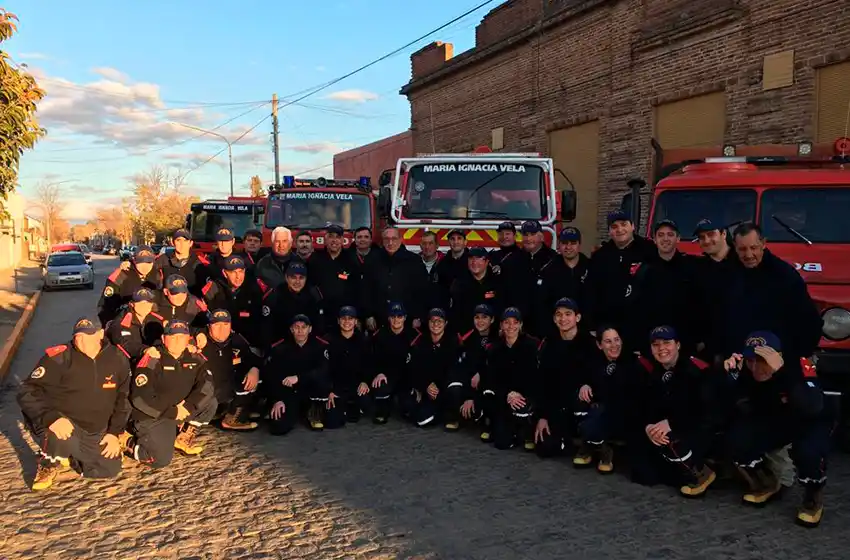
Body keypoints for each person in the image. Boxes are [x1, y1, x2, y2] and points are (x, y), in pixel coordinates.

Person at [722, 332, 831, 527]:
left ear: (777, 357)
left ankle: (813, 495)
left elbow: (812, 406)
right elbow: (741, 408)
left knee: (808, 452)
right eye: (750, 361)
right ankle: (767, 483)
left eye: (762, 361)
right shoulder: (746, 371)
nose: (755, 367)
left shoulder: (799, 366)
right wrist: (731, 379)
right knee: (736, 439)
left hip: (808, 421)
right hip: (776, 421)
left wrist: (781, 373)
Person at [17, 318, 131, 490]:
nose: (83, 342)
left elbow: (123, 397)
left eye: (88, 336)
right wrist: (50, 418)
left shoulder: (116, 357)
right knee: (59, 434)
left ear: (100, 334)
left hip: (95, 427)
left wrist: (114, 433)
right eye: (78, 337)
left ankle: (73, 456)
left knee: (109, 469)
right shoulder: (59, 357)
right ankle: (47, 462)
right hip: (63, 421)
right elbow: (27, 390)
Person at [635, 326, 720, 496]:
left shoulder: (698, 370)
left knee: (672, 444)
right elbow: (645, 406)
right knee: (642, 473)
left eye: (667, 343)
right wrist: (650, 427)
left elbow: (707, 412)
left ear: (678, 345)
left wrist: (671, 424)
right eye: (656, 345)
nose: (661, 349)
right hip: (668, 426)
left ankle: (700, 472)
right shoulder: (653, 372)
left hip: (699, 428)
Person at [123, 320, 217, 468]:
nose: (178, 341)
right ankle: (127, 441)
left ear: (188, 339)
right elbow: (140, 398)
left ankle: (182, 436)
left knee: (210, 403)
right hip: (154, 414)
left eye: (182, 336)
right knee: (160, 459)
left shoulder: (195, 357)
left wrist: (187, 407)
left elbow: (207, 386)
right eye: (173, 337)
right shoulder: (152, 358)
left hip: (181, 409)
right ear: (163, 338)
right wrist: (173, 412)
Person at [725, 222, 822, 362]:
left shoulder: (785, 276)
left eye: (753, 248)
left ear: (763, 244)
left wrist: (793, 356)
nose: (749, 254)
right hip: (738, 358)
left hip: (777, 360)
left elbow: (809, 320)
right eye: (742, 249)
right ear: (735, 247)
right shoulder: (729, 273)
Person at [571, 325, 641, 473]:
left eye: (617, 340)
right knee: (580, 404)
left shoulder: (633, 362)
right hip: (599, 411)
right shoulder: (592, 362)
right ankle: (597, 446)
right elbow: (581, 377)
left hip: (623, 414)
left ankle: (599, 447)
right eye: (608, 341)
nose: (614, 345)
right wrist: (584, 384)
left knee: (597, 416)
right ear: (599, 344)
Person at [534, 298, 598, 458]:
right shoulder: (549, 344)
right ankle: (565, 438)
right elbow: (543, 382)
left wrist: (588, 384)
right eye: (559, 315)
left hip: (580, 402)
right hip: (557, 405)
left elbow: (599, 374)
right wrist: (543, 416)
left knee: (582, 400)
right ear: (554, 319)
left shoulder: (590, 343)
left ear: (577, 317)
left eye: (568, 314)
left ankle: (588, 444)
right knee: (545, 449)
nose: (563, 319)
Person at [587, 210, 656, 345]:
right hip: (609, 327)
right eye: (614, 227)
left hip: (641, 327)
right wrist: (591, 325)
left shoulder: (650, 251)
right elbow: (591, 291)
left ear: (633, 226)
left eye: (624, 224)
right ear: (609, 232)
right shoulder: (600, 256)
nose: (620, 230)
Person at [479, 307, 540, 451]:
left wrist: (519, 393)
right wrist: (508, 394)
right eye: (507, 322)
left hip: (526, 394)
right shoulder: (495, 348)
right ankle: (504, 428)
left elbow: (535, 376)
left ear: (520, 325)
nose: (511, 326)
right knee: (501, 443)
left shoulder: (532, 345)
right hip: (505, 396)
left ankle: (527, 431)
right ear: (501, 325)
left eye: (515, 322)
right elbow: (493, 378)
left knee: (524, 408)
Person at [633, 220, 698, 355]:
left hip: (685, 343)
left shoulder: (692, 268)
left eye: (670, 234)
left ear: (678, 238)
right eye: (661, 235)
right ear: (655, 239)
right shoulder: (645, 271)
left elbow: (700, 305)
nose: (665, 239)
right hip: (656, 345)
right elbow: (638, 310)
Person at [265, 314, 331, 433]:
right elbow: (272, 376)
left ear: (310, 329)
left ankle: (314, 411)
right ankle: (295, 412)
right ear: (291, 329)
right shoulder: (280, 348)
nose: (300, 331)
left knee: (332, 420)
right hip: (289, 393)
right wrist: (277, 399)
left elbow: (323, 370)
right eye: (296, 327)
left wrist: (299, 378)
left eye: (304, 327)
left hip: (311, 391)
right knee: (278, 428)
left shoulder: (320, 346)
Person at [200, 309, 260, 431]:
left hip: (226, 391)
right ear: (209, 326)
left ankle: (233, 417)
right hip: (204, 393)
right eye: (217, 325)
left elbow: (252, 357)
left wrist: (255, 369)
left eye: (225, 325)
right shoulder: (200, 341)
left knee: (256, 378)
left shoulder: (236, 340)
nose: (221, 329)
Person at [406, 307, 465, 430]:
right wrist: (426, 385)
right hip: (429, 389)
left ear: (445, 323)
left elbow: (455, 370)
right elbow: (413, 369)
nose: (435, 324)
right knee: (421, 420)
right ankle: (441, 413)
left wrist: (437, 385)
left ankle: (452, 417)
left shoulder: (453, 342)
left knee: (455, 386)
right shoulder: (420, 343)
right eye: (432, 321)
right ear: (428, 323)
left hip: (446, 387)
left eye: (439, 321)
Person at [361, 227, 429, 332]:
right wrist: (368, 315)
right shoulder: (372, 259)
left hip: (407, 321)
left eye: (394, 238)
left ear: (401, 239)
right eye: (386, 239)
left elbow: (422, 291)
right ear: (382, 241)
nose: (390, 242)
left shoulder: (414, 261)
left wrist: (418, 316)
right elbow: (365, 289)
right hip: (379, 320)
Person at [201, 255, 272, 351]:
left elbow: (265, 321)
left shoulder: (255, 289)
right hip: (220, 345)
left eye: (241, 272)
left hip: (250, 345)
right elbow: (203, 319)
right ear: (225, 273)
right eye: (233, 272)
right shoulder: (213, 290)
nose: (238, 277)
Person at [370, 302, 419, 424]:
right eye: (393, 316)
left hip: (407, 378)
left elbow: (420, 363)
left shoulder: (414, 336)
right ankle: (383, 409)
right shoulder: (379, 336)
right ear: (388, 318)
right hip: (387, 376)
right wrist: (378, 372)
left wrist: (419, 386)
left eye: (399, 316)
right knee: (380, 386)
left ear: (405, 318)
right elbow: (372, 359)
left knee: (409, 408)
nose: (396, 320)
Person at [324, 306, 373, 427]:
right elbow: (324, 368)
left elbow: (370, 364)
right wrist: (329, 390)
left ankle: (352, 407)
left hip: (355, 384)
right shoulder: (329, 340)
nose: (347, 322)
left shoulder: (363, 340)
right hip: (336, 387)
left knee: (365, 402)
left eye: (350, 319)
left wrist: (365, 381)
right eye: (343, 318)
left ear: (356, 321)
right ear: (338, 321)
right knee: (333, 422)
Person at [538, 227, 591, 335]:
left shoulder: (592, 268)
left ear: (579, 245)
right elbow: (542, 304)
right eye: (564, 243)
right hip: (556, 331)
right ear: (559, 245)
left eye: (573, 243)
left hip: (585, 332)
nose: (568, 247)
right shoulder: (548, 270)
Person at [459, 303, 497, 442]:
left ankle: (488, 423)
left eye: (484, 317)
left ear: (492, 319)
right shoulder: (467, 339)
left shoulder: (499, 338)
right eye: (477, 317)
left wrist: (481, 373)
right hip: (472, 385)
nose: (480, 321)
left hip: (491, 384)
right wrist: (469, 396)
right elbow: (464, 368)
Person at [307, 224, 361, 318]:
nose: (334, 240)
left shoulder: (351, 259)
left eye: (338, 237)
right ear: (326, 239)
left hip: (345, 315)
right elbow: (309, 285)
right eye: (331, 237)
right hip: (320, 312)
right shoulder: (315, 259)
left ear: (342, 240)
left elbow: (358, 288)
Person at [516, 220, 558, 337]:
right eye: (525, 235)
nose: (528, 239)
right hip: (519, 324)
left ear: (541, 237)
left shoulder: (554, 259)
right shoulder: (514, 259)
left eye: (532, 234)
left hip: (546, 324)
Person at [448, 247, 502, 335]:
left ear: (487, 261)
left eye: (478, 258)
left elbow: (501, 308)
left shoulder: (497, 282)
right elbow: (455, 312)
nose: (474, 262)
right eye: (471, 258)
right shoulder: (459, 283)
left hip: (493, 334)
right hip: (466, 334)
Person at [98, 245, 156, 326]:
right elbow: (105, 306)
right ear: (134, 260)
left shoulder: (157, 276)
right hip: (124, 325)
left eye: (149, 262)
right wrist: (110, 326)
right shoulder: (121, 275)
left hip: (150, 326)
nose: (145, 266)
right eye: (141, 262)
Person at [267, 261, 325, 340]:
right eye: (293, 277)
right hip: (281, 343)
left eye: (301, 278)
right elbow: (268, 327)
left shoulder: (314, 295)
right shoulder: (276, 294)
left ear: (306, 279)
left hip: (307, 343)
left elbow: (319, 326)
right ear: (286, 278)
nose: (297, 282)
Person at [106, 287, 164, 365]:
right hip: (126, 362)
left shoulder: (157, 319)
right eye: (140, 303)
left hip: (151, 360)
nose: (144, 306)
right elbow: (124, 342)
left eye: (147, 303)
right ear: (132, 304)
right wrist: (144, 350)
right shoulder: (122, 319)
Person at [148, 229, 210, 296]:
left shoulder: (200, 263)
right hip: (166, 303)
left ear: (191, 243)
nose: (182, 244)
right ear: (173, 242)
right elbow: (151, 283)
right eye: (178, 240)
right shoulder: (162, 260)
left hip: (191, 304)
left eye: (185, 240)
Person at [433, 229, 469, 308]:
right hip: (446, 308)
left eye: (459, 238)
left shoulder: (472, 262)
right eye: (452, 239)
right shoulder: (442, 263)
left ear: (465, 242)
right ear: (449, 242)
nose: (456, 242)